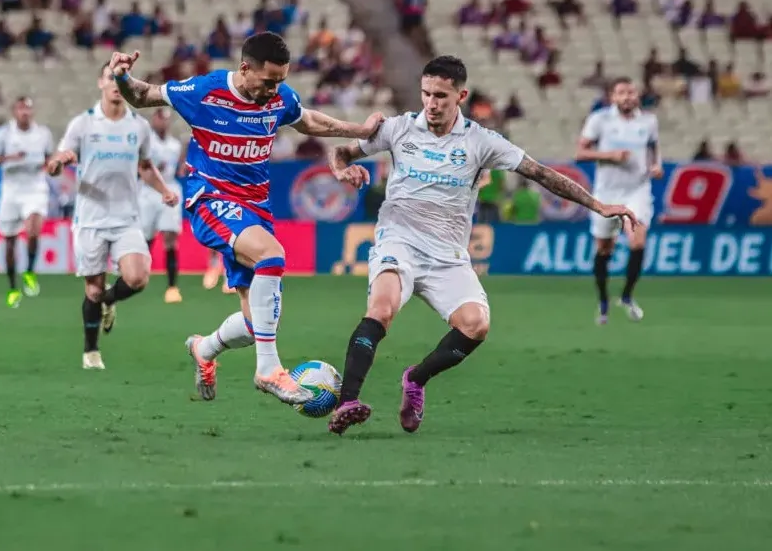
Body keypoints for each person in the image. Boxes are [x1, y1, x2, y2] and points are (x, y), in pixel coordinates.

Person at [325, 56, 638, 435]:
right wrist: (342, 169)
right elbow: (342, 151)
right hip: (399, 241)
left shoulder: (481, 141)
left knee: (476, 326)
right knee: (382, 308)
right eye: (426, 94)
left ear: (461, 95)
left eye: (441, 95)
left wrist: (598, 205)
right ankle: (347, 403)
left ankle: (416, 380)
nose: (431, 103)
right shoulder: (398, 129)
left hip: (449, 256)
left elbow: (540, 173)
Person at [106, 31, 383, 405]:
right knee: (272, 256)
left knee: (258, 323)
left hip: (255, 208)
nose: (275, 89)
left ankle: (204, 349)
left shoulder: (279, 97)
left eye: (281, 81)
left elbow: (307, 120)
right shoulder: (205, 91)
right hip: (212, 199)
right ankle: (268, 370)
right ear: (244, 69)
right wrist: (122, 77)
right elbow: (143, 95)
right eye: (269, 81)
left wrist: (359, 131)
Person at [46, 64, 178, 370]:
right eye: (110, 78)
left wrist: (163, 190)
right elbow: (62, 156)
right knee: (92, 287)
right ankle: (91, 351)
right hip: (90, 218)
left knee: (138, 277)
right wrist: (58, 163)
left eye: (120, 79)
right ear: (100, 83)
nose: (116, 85)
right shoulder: (83, 124)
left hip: (126, 218)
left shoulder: (138, 126)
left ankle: (108, 301)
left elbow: (145, 166)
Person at [576, 78, 663, 325]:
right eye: (621, 93)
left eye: (631, 92)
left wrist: (657, 165)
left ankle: (626, 296)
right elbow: (580, 153)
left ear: (637, 95)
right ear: (613, 97)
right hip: (606, 194)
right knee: (604, 248)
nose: (627, 96)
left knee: (637, 241)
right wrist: (610, 155)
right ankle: (603, 300)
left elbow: (654, 147)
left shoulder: (648, 121)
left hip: (638, 190)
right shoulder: (600, 120)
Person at [0, 97, 53, 308]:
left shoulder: (43, 134)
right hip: (11, 190)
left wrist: (52, 165)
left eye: (28, 109)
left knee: (33, 230)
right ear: (14, 111)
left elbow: (49, 158)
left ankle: (30, 271)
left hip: (35, 187)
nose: (25, 113)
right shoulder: (4, 134)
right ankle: (13, 287)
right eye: (21, 109)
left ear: (33, 112)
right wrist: (9, 158)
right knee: (10, 240)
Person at [139, 108, 186, 304]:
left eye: (167, 120)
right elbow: (139, 166)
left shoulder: (175, 145)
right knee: (146, 237)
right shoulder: (147, 142)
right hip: (148, 192)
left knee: (170, 237)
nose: (163, 123)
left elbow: (179, 169)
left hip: (170, 189)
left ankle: (172, 286)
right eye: (161, 119)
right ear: (154, 119)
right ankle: (139, 275)